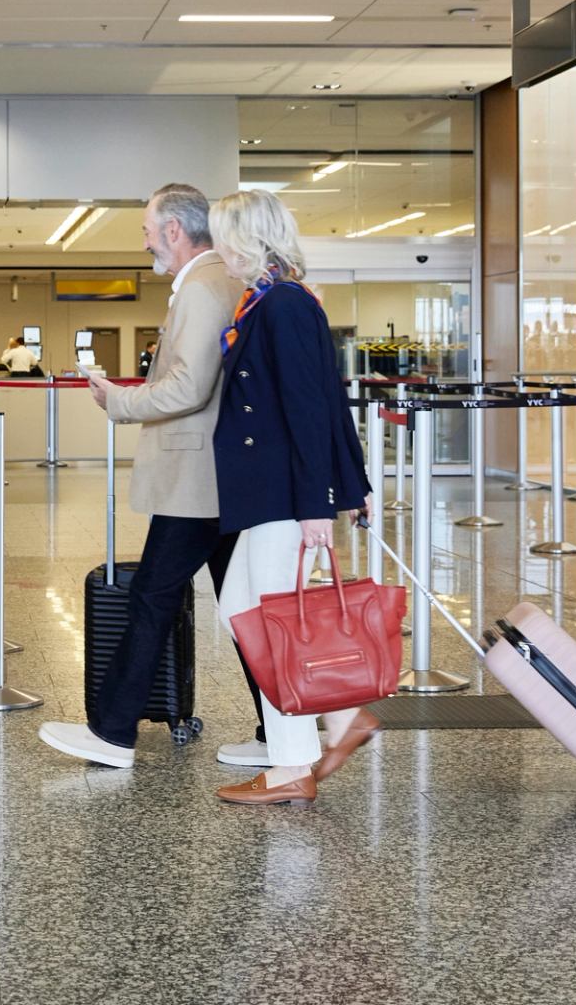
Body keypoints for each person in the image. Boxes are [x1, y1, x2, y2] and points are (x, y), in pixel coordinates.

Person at [37, 183, 265, 769]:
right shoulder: (221, 281)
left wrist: (121, 400)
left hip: (199, 479)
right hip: (220, 476)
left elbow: (191, 386)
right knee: (242, 606)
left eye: (146, 230)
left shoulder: (203, 287)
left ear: (172, 231)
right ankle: (280, 732)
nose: (144, 242)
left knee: (151, 600)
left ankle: (112, 733)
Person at [206, 188, 378, 808]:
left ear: (247, 236)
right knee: (239, 613)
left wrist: (320, 504)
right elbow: (324, 400)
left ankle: (291, 765)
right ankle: (343, 717)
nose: (217, 247)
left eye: (222, 234)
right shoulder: (267, 302)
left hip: (285, 494)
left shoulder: (283, 304)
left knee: (270, 624)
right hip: (264, 494)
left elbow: (313, 407)